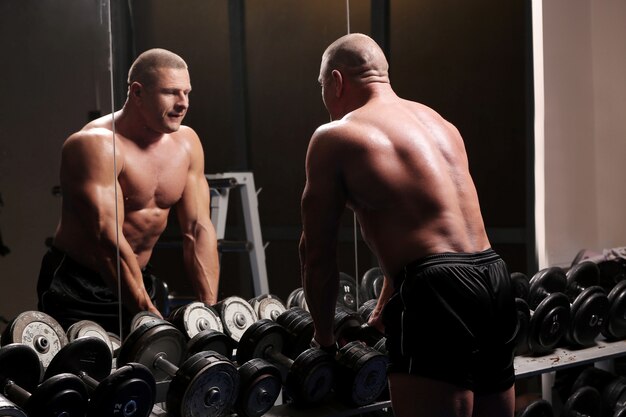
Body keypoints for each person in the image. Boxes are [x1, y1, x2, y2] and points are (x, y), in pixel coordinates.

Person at [299, 33, 518, 417]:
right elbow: (423, 224)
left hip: (435, 290)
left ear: (336, 81)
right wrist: (385, 305)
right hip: (493, 276)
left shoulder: (335, 136)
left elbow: (316, 254)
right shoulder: (439, 123)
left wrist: (324, 340)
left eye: (321, 86)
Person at [37, 48, 220, 335]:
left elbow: (197, 229)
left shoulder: (187, 143)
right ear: (137, 93)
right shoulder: (97, 145)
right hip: (80, 286)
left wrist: (209, 312)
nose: (182, 103)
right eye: (171, 92)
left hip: (138, 278)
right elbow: (108, 240)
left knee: (150, 374)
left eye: (187, 93)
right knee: (83, 377)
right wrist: (149, 315)